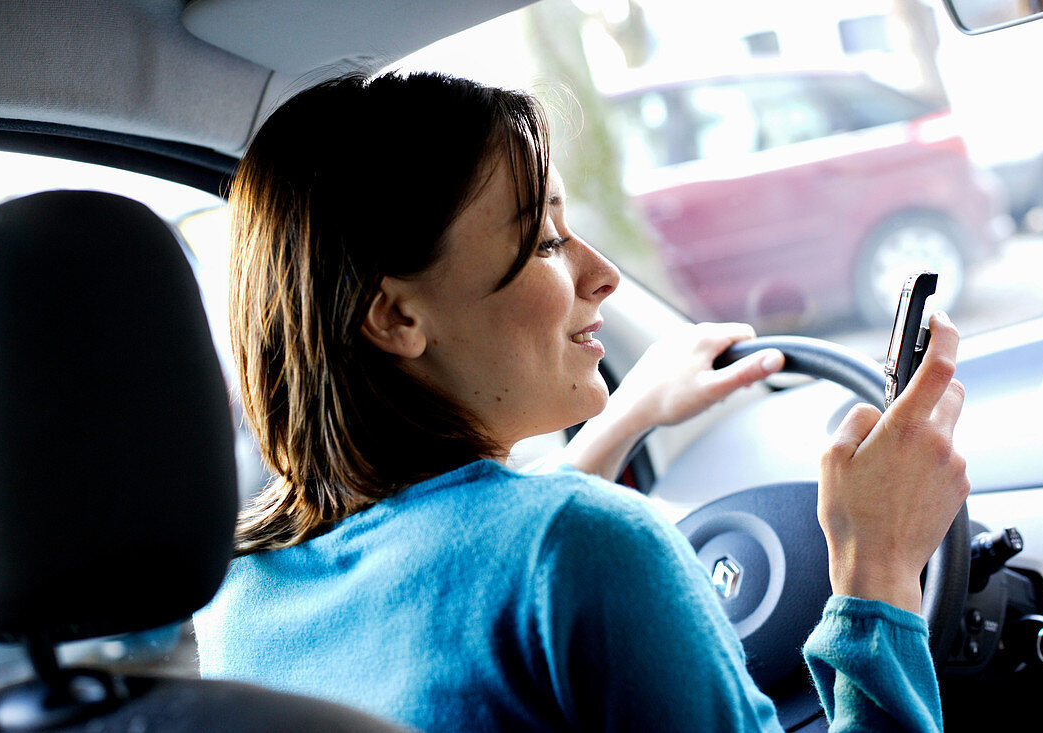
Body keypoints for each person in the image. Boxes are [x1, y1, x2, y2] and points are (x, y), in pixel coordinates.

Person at [193, 71, 969, 732]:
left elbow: (464, 570)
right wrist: (882, 569)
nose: (603, 275)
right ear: (397, 316)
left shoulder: (236, 596)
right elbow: (539, 552)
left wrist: (626, 417)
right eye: (545, 242)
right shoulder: (585, 546)